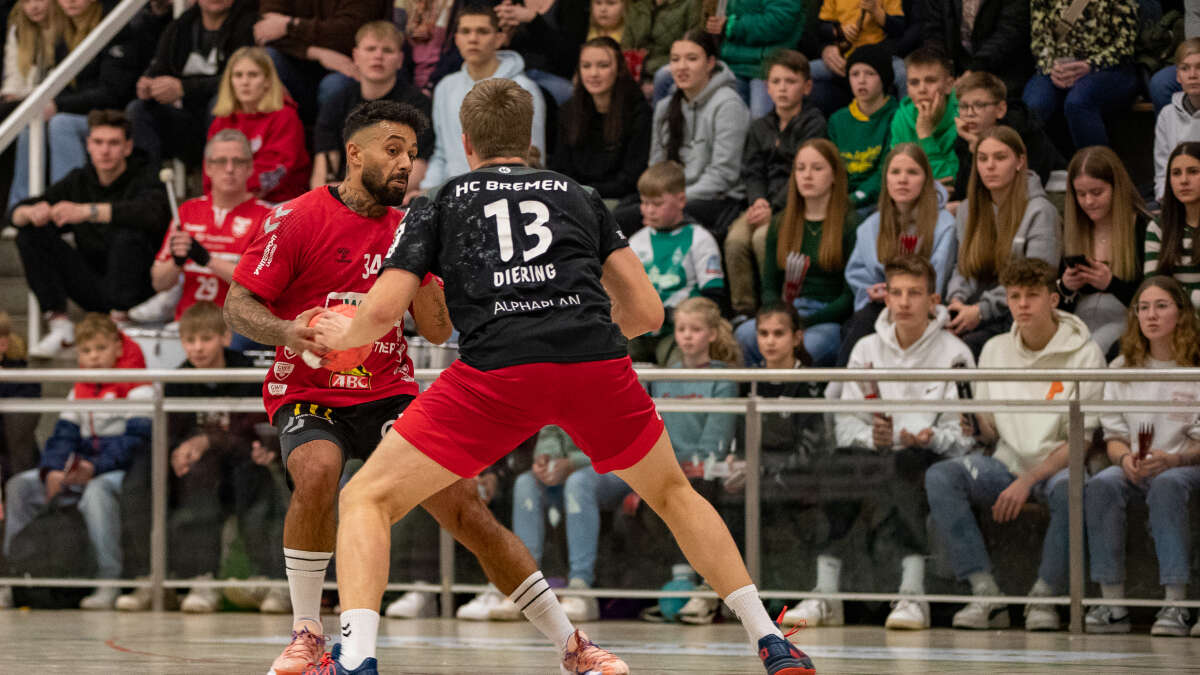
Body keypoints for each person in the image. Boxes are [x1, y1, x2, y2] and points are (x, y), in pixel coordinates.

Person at [310, 78, 816, 675]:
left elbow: (384, 309)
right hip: (593, 364)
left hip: (496, 373)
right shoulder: (580, 195)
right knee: (674, 495)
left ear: (465, 143)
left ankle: (357, 658)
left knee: (366, 497)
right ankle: (769, 640)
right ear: (529, 141)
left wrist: (344, 336)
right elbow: (650, 314)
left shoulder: (440, 202)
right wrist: (587, 333)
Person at [225, 99, 602, 675]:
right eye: (393, 151)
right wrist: (287, 331)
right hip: (307, 388)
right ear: (354, 154)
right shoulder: (296, 217)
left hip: (388, 390)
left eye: (414, 155)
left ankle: (571, 645)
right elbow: (237, 304)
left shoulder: (412, 226)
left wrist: (432, 266)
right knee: (320, 471)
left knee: (464, 506)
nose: (407, 165)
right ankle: (308, 634)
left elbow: (435, 328)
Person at [787, 255, 972, 631]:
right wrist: (873, 436)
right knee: (836, 466)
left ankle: (912, 594)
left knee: (907, 468)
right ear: (885, 298)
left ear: (933, 300)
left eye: (915, 293)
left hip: (928, 456)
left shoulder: (956, 353)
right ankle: (825, 593)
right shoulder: (866, 349)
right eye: (896, 292)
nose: (904, 302)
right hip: (873, 453)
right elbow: (844, 420)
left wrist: (930, 436)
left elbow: (966, 435)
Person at [926, 257, 1105, 632]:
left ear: (1053, 300)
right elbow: (993, 433)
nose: (1022, 305)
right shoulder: (993, 350)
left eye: (1032, 296)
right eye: (1015, 296)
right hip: (1005, 463)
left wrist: (1028, 480)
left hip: (1056, 467)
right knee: (943, 476)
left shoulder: (1085, 354)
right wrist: (978, 427)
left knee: (1072, 489)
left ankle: (1045, 596)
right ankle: (985, 591)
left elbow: (1081, 442)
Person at [115, 301, 287, 613]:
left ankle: (268, 580)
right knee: (141, 476)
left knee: (238, 474)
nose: (197, 348)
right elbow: (169, 432)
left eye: (206, 339)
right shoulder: (178, 381)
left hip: (242, 464)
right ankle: (153, 579)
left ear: (225, 337)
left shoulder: (248, 374)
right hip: (196, 470)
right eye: (190, 341)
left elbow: (255, 428)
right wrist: (174, 454)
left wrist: (209, 440)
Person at [2, 313, 152, 610]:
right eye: (86, 351)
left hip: (120, 471)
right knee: (21, 485)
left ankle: (107, 581)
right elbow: (62, 436)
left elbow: (135, 441)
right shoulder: (78, 389)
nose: (94, 357)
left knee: (97, 493)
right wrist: (53, 470)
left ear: (118, 349)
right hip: (80, 468)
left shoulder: (142, 385)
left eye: (100, 348)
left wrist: (94, 468)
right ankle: (12, 578)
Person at [1084, 276, 1200, 636]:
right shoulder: (1122, 367)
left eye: (1161, 306)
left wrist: (1175, 459)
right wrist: (1124, 460)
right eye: (1143, 308)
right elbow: (1115, 435)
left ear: (1181, 314)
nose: (1151, 316)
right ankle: (1112, 603)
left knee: (1167, 484)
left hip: (1185, 465)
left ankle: (1176, 604)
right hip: (1137, 465)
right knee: (1102, 484)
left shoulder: (1194, 367)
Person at [10, 110, 170, 359]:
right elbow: (16, 214)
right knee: (29, 234)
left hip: (140, 290)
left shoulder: (145, 175)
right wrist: (30, 212)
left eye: (113, 143)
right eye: (98, 142)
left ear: (127, 147)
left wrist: (87, 212)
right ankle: (60, 325)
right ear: (88, 145)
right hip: (94, 286)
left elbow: (152, 213)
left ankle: (121, 322)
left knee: (127, 232)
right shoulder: (80, 180)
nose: (105, 150)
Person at [644, 296, 740, 626]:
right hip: (671, 466)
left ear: (712, 334)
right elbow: (656, 429)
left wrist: (695, 461)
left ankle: (705, 586)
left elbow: (718, 432)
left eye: (695, 329)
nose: (686, 336)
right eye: (681, 329)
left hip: (707, 468)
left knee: (697, 490)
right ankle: (681, 580)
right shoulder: (663, 376)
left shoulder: (722, 375)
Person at [8, 0, 144, 210]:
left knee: (60, 123)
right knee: (31, 122)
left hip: (112, 116)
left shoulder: (115, 25)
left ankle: (68, 205)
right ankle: (21, 207)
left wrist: (59, 105)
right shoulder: (62, 29)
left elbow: (113, 92)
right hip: (76, 111)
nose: (70, 1)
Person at [737, 139, 858, 367]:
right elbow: (770, 286)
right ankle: (763, 394)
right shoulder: (781, 222)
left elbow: (849, 296)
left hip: (826, 317)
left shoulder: (850, 223)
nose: (807, 175)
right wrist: (780, 317)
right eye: (800, 168)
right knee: (743, 336)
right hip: (786, 312)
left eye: (817, 168)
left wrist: (805, 321)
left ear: (834, 175)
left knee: (808, 346)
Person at [725, 50, 827, 319]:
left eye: (790, 82)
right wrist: (757, 201)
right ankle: (744, 312)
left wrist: (774, 206)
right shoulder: (760, 127)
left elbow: (803, 172)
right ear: (767, 88)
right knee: (735, 241)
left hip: (795, 203)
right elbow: (753, 171)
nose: (783, 88)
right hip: (762, 202)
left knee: (762, 238)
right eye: (776, 82)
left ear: (806, 87)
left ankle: (775, 309)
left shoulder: (814, 124)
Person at [945, 126, 1061, 357]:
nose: (990, 166)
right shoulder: (968, 209)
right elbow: (963, 268)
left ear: (1019, 161)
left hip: (1019, 312)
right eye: (982, 158)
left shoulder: (1040, 211)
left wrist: (980, 310)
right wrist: (956, 301)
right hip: (972, 311)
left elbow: (1036, 279)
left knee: (965, 349)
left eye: (1000, 157)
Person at [839, 143, 957, 364]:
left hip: (924, 308)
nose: (902, 179)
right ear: (886, 180)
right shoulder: (870, 226)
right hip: (881, 306)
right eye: (895, 172)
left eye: (912, 172)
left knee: (865, 321)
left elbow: (939, 277)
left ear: (926, 181)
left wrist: (903, 295)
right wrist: (871, 290)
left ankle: (836, 394)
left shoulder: (944, 224)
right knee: (859, 322)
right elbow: (859, 275)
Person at [146, 130, 273, 324]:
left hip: (237, 331)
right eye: (221, 161)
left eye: (238, 161)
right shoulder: (188, 210)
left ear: (250, 168)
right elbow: (159, 283)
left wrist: (207, 259)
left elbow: (261, 285)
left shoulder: (267, 217)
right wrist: (176, 263)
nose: (229, 169)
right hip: (188, 327)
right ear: (208, 168)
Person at [419, 4, 546, 191]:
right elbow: (442, 154)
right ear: (456, 39)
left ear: (499, 38)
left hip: (507, 193)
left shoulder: (524, 88)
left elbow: (534, 155)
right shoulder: (445, 87)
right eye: (465, 31)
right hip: (454, 194)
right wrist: (426, 191)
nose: (473, 38)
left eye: (482, 31)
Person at [510, 424, 626, 622]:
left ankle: (580, 587)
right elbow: (550, 429)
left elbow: (624, 439)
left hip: (619, 466)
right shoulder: (551, 391)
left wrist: (574, 463)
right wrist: (546, 458)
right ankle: (522, 585)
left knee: (578, 483)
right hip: (569, 468)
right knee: (525, 484)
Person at [643, 29, 749, 239]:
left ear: (710, 63)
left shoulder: (728, 105)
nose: (681, 67)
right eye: (675, 59)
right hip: (671, 198)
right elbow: (656, 166)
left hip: (717, 199)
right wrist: (655, 199)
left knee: (637, 221)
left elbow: (724, 175)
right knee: (617, 218)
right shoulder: (665, 106)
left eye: (692, 59)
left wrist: (674, 200)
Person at [125, 0, 256, 168]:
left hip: (230, 116)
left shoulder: (248, 25)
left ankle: (220, 174)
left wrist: (184, 88)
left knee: (219, 104)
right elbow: (159, 67)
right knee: (138, 110)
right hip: (186, 119)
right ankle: (149, 183)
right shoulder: (180, 26)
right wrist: (148, 84)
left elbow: (245, 79)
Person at [311, 21, 434, 197]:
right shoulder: (336, 102)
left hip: (391, 199)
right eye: (370, 49)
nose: (378, 56)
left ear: (400, 60)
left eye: (387, 50)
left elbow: (415, 174)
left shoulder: (417, 105)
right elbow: (322, 176)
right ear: (355, 56)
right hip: (343, 198)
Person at [627, 161, 725, 365]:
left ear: (681, 200)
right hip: (640, 331)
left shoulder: (700, 239)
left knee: (675, 362)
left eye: (657, 204)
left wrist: (673, 317)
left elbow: (713, 297)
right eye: (644, 203)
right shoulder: (635, 241)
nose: (649, 210)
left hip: (680, 331)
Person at [1058, 146, 1150, 356]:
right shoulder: (1072, 229)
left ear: (1116, 188)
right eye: (1081, 194)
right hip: (1078, 322)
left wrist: (1111, 284)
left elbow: (1153, 298)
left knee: (1092, 350)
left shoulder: (1142, 227)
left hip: (1128, 322)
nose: (1088, 201)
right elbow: (1060, 307)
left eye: (1097, 192)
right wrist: (1066, 287)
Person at [1022, 0, 1140, 151]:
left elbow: (1125, 43)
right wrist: (1052, 67)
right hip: (1057, 66)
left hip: (1108, 68)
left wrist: (1090, 65)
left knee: (1078, 101)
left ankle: (1098, 170)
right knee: (1033, 106)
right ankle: (1036, 171)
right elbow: (1039, 37)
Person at [550, 36, 652, 206]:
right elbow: (560, 168)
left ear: (619, 68)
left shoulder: (638, 112)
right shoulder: (568, 111)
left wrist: (583, 192)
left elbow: (631, 178)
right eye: (586, 66)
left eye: (603, 66)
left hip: (618, 200)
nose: (593, 74)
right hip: (574, 198)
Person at [253, 0, 389, 123]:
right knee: (268, 58)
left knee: (335, 85)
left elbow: (350, 34)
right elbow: (264, 32)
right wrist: (317, 54)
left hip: (348, 68)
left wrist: (290, 25)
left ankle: (329, 145)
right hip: (296, 70)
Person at [206, 46, 310, 204]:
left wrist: (236, 192)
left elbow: (278, 170)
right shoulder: (222, 120)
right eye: (238, 75)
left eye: (253, 75)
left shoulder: (285, 117)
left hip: (279, 203)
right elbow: (211, 168)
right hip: (230, 199)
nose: (245, 82)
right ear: (230, 82)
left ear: (268, 81)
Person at [951, 71, 1064, 207]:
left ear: (1000, 109)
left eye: (979, 105)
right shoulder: (966, 137)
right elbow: (965, 193)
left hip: (1053, 195)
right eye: (963, 106)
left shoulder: (1025, 132)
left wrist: (978, 151)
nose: (969, 113)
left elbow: (1026, 189)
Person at [827, 43, 900, 211]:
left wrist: (855, 198)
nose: (861, 80)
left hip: (878, 201)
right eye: (854, 74)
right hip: (841, 199)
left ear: (884, 78)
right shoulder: (837, 120)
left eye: (870, 73)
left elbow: (886, 170)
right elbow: (832, 167)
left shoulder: (896, 116)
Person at [709, 0, 807, 118]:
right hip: (734, 65)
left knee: (761, 122)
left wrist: (733, 26)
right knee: (727, 118)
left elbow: (780, 20)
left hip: (767, 68)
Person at [809, 0, 906, 116]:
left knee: (903, 75)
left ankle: (906, 121)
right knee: (804, 72)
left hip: (879, 57)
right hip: (844, 58)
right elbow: (822, 26)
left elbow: (898, 28)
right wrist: (839, 31)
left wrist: (876, 11)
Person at [920, 0, 1033, 98]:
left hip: (1001, 71)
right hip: (955, 68)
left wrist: (973, 71)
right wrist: (938, 71)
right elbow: (934, 33)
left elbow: (1008, 35)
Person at [495, 0, 590, 107]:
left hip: (554, 76)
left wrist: (534, 20)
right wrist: (505, 35)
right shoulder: (508, 3)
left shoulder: (571, 4)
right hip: (512, 73)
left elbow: (570, 55)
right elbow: (495, 51)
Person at [888, 47, 958, 189]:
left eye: (930, 81)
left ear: (949, 85)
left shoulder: (964, 116)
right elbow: (898, 179)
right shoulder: (901, 117)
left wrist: (925, 136)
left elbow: (950, 182)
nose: (922, 89)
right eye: (914, 83)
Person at [1145, 141, 1200, 309]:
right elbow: (1152, 289)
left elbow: (1164, 297)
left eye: (1193, 172)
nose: (1183, 180)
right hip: (1176, 323)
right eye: (1176, 173)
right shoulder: (1158, 227)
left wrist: (1174, 298)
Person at [1, 0, 65, 117]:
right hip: (24, 96)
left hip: (52, 98)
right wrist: (11, 93)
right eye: (26, 2)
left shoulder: (65, 28)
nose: (33, 7)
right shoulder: (18, 30)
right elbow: (13, 72)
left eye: (39, 0)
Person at [1155, 39, 1200, 203]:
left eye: (1199, 67)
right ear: (1178, 77)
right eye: (1185, 68)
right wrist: (1166, 202)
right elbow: (1162, 172)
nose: (1193, 75)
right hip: (1177, 202)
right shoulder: (1167, 115)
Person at [623, 0, 702, 91]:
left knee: (662, 79)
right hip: (638, 73)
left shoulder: (690, 4)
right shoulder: (637, 4)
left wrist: (647, 69)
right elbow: (626, 46)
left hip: (669, 73)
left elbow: (691, 51)